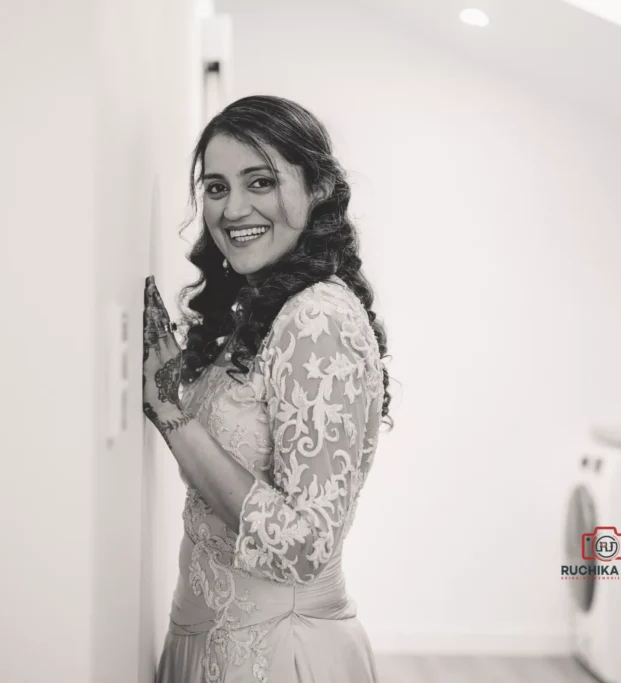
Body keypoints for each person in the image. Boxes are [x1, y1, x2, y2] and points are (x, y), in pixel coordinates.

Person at [142, 94, 393, 683]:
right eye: (216, 187)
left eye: (260, 181)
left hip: (278, 655)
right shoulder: (259, 311)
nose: (233, 209)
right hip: (207, 640)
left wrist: (172, 416)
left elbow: (305, 545)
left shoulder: (316, 317)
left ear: (319, 187)